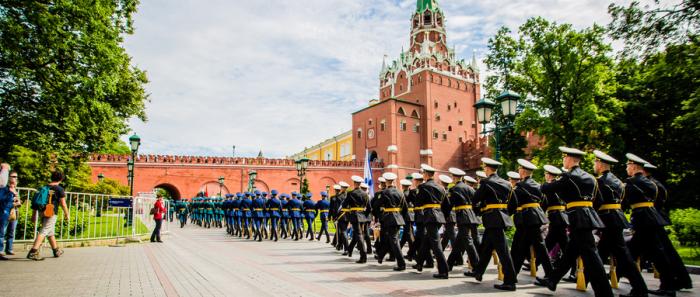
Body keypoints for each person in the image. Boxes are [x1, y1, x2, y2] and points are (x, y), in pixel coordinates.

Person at [535, 147, 613, 297]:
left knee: (592, 257)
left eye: (564, 158)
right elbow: (599, 201)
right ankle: (552, 279)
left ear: (570, 159)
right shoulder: (591, 178)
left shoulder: (568, 177)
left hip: (577, 218)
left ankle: (604, 292)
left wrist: (549, 181)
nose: (563, 160)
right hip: (587, 216)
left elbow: (546, 189)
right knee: (570, 252)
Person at [624, 153, 690, 296]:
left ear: (634, 166)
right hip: (651, 219)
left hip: (643, 220)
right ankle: (668, 285)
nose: (626, 168)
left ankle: (640, 289)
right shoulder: (652, 183)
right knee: (656, 254)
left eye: (628, 165)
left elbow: (624, 200)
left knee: (630, 254)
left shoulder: (632, 182)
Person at [592, 150, 649, 297]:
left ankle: (639, 290)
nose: (594, 164)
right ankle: (591, 280)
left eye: (595, 162)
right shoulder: (617, 180)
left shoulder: (600, 181)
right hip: (616, 218)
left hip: (608, 219)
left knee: (622, 257)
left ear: (599, 164)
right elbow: (622, 200)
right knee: (602, 254)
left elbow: (596, 202)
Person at [464, 157, 517, 291]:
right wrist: (504, 214)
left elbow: (475, 199)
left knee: (503, 252)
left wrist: (479, 211)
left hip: (492, 219)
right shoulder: (507, 183)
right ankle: (478, 272)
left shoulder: (486, 183)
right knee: (486, 248)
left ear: (487, 169)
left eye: (485, 168)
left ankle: (510, 281)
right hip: (500, 218)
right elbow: (514, 203)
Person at [509, 159, 553, 279]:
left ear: (523, 171)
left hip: (527, 218)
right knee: (528, 246)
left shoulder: (520, 186)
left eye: (519, 169)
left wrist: (507, 213)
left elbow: (512, 203)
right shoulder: (538, 185)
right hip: (536, 216)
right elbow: (544, 201)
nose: (518, 171)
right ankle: (512, 277)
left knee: (532, 247)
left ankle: (550, 274)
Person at [413, 164, 449, 279]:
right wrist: (443, 216)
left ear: (426, 174)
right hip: (439, 216)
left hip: (430, 216)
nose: (422, 175)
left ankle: (444, 270)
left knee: (436, 244)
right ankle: (419, 263)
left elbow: (418, 202)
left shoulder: (423, 187)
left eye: (423, 173)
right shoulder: (441, 187)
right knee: (427, 240)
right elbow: (447, 205)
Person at [27, 171, 70, 261]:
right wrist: (67, 214)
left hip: (42, 211)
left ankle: (56, 250)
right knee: (44, 230)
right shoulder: (59, 189)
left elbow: (36, 201)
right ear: (61, 179)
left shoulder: (44, 187)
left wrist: (34, 214)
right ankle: (33, 251)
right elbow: (63, 203)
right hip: (51, 212)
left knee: (50, 231)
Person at [445, 168, 480, 272]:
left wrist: (445, 215)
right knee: (458, 243)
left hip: (462, 216)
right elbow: (476, 203)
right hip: (472, 215)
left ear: (454, 177)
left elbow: (449, 205)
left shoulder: (454, 189)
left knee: (468, 241)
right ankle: (449, 264)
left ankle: (477, 266)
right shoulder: (470, 188)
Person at [374, 172, 407, 271]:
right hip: (398, 218)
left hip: (388, 218)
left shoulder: (384, 193)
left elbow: (376, 206)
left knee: (394, 240)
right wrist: (400, 217)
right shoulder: (400, 192)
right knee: (390, 238)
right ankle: (381, 256)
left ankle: (401, 264)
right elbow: (404, 208)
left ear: (386, 182)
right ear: (393, 181)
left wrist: (379, 216)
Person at [344, 175, 369, 263]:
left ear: (354, 183)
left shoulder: (351, 193)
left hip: (355, 216)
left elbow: (344, 205)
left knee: (359, 235)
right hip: (363, 217)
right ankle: (350, 249)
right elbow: (368, 208)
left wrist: (349, 213)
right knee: (357, 234)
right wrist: (364, 215)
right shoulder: (365, 194)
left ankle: (363, 256)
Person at [3, 171, 21, 258]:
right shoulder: (4, 188)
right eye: (13, 176)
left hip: (14, 213)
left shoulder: (16, 189)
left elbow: (19, 202)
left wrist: (18, 202)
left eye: (16, 177)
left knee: (11, 231)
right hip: (5, 212)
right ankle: (1, 249)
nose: (15, 178)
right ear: (8, 177)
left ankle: (9, 249)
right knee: (3, 231)